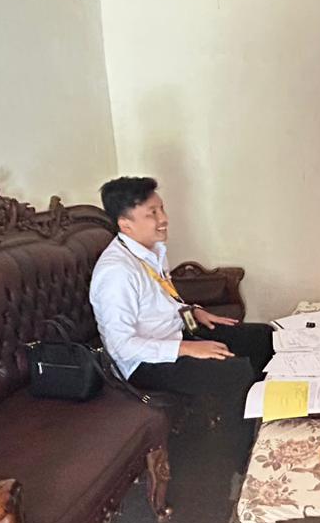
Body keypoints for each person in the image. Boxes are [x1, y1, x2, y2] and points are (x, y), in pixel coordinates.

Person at [90, 176, 273, 419]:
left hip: (174, 333)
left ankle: (267, 417)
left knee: (263, 337)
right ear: (126, 224)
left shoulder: (152, 251)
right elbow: (121, 347)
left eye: (162, 209)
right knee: (234, 372)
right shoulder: (117, 272)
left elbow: (162, 300)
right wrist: (186, 348)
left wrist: (193, 311)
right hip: (141, 363)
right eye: (152, 213)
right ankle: (237, 440)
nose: (164, 219)